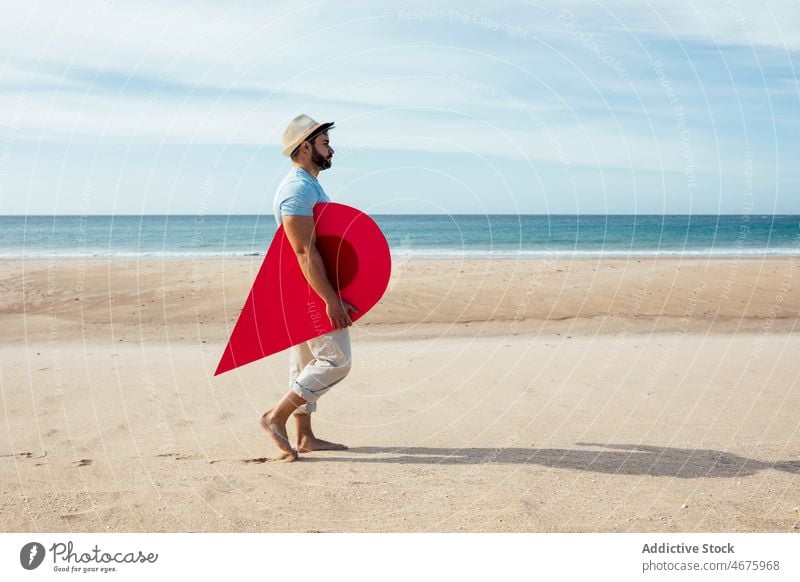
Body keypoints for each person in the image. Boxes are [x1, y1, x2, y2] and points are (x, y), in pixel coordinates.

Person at [259, 114, 358, 462]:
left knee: (305, 362)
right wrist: (331, 300)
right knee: (337, 360)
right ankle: (276, 417)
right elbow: (304, 250)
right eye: (324, 143)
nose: (331, 149)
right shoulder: (297, 189)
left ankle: (305, 437)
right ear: (305, 146)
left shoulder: (309, 185)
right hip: (310, 289)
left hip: (302, 288)